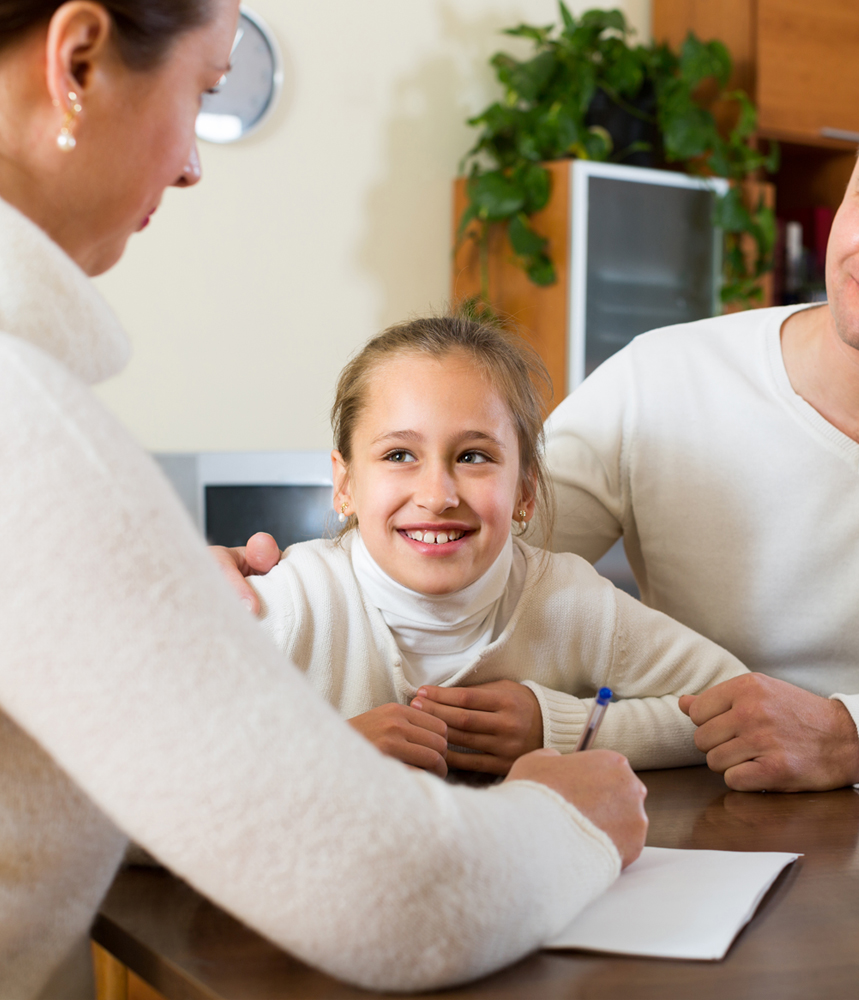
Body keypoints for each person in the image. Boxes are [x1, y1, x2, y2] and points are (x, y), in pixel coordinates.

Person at [0, 3, 648, 998]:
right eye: (203, 92)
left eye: (475, 456)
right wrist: (565, 818)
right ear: (77, 59)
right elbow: (402, 898)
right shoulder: (29, 429)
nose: (190, 168)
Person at [223, 74, 859, 795]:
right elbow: (466, 562)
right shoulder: (662, 380)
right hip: (707, 813)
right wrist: (220, 591)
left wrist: (854, 738)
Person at [242, 314, 748, 778]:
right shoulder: (292, 605)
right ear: (345, 484)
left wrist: (557, 731)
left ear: (524, 489)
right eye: (399, 454)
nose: (437, 496)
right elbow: (169, 769)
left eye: (473, 456)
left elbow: (737, 707)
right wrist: (328, 752)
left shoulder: (573, 600)